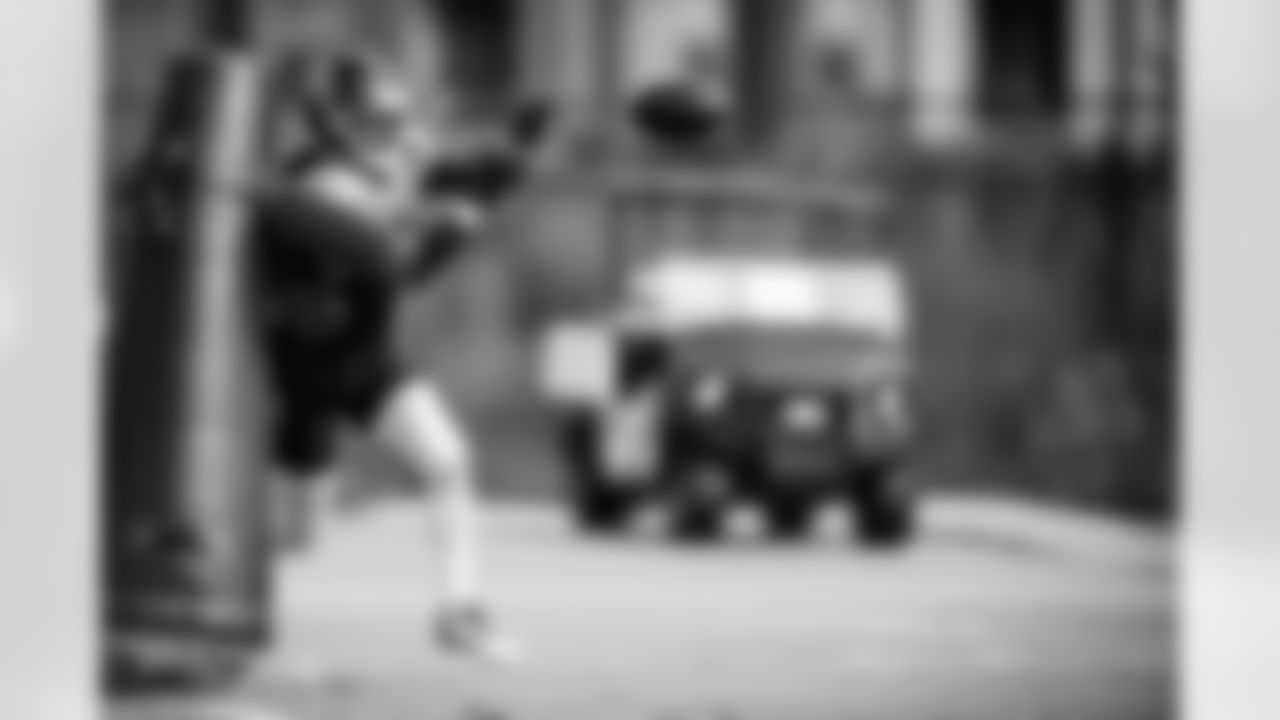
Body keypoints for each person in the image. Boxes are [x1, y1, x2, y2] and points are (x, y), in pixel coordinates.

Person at [253, 54, 545, 666]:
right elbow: (400, 260)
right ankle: (232, 618)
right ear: (337, 124)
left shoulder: (383, 168)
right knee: (292, 536)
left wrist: (509, 157)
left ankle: (459, 612)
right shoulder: (312, 190)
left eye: (393, 121)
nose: (397, 137)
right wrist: (456, 220)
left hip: (364, 361)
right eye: (376, 122)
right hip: (305, 372)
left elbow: (448, 173)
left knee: (447, 460)